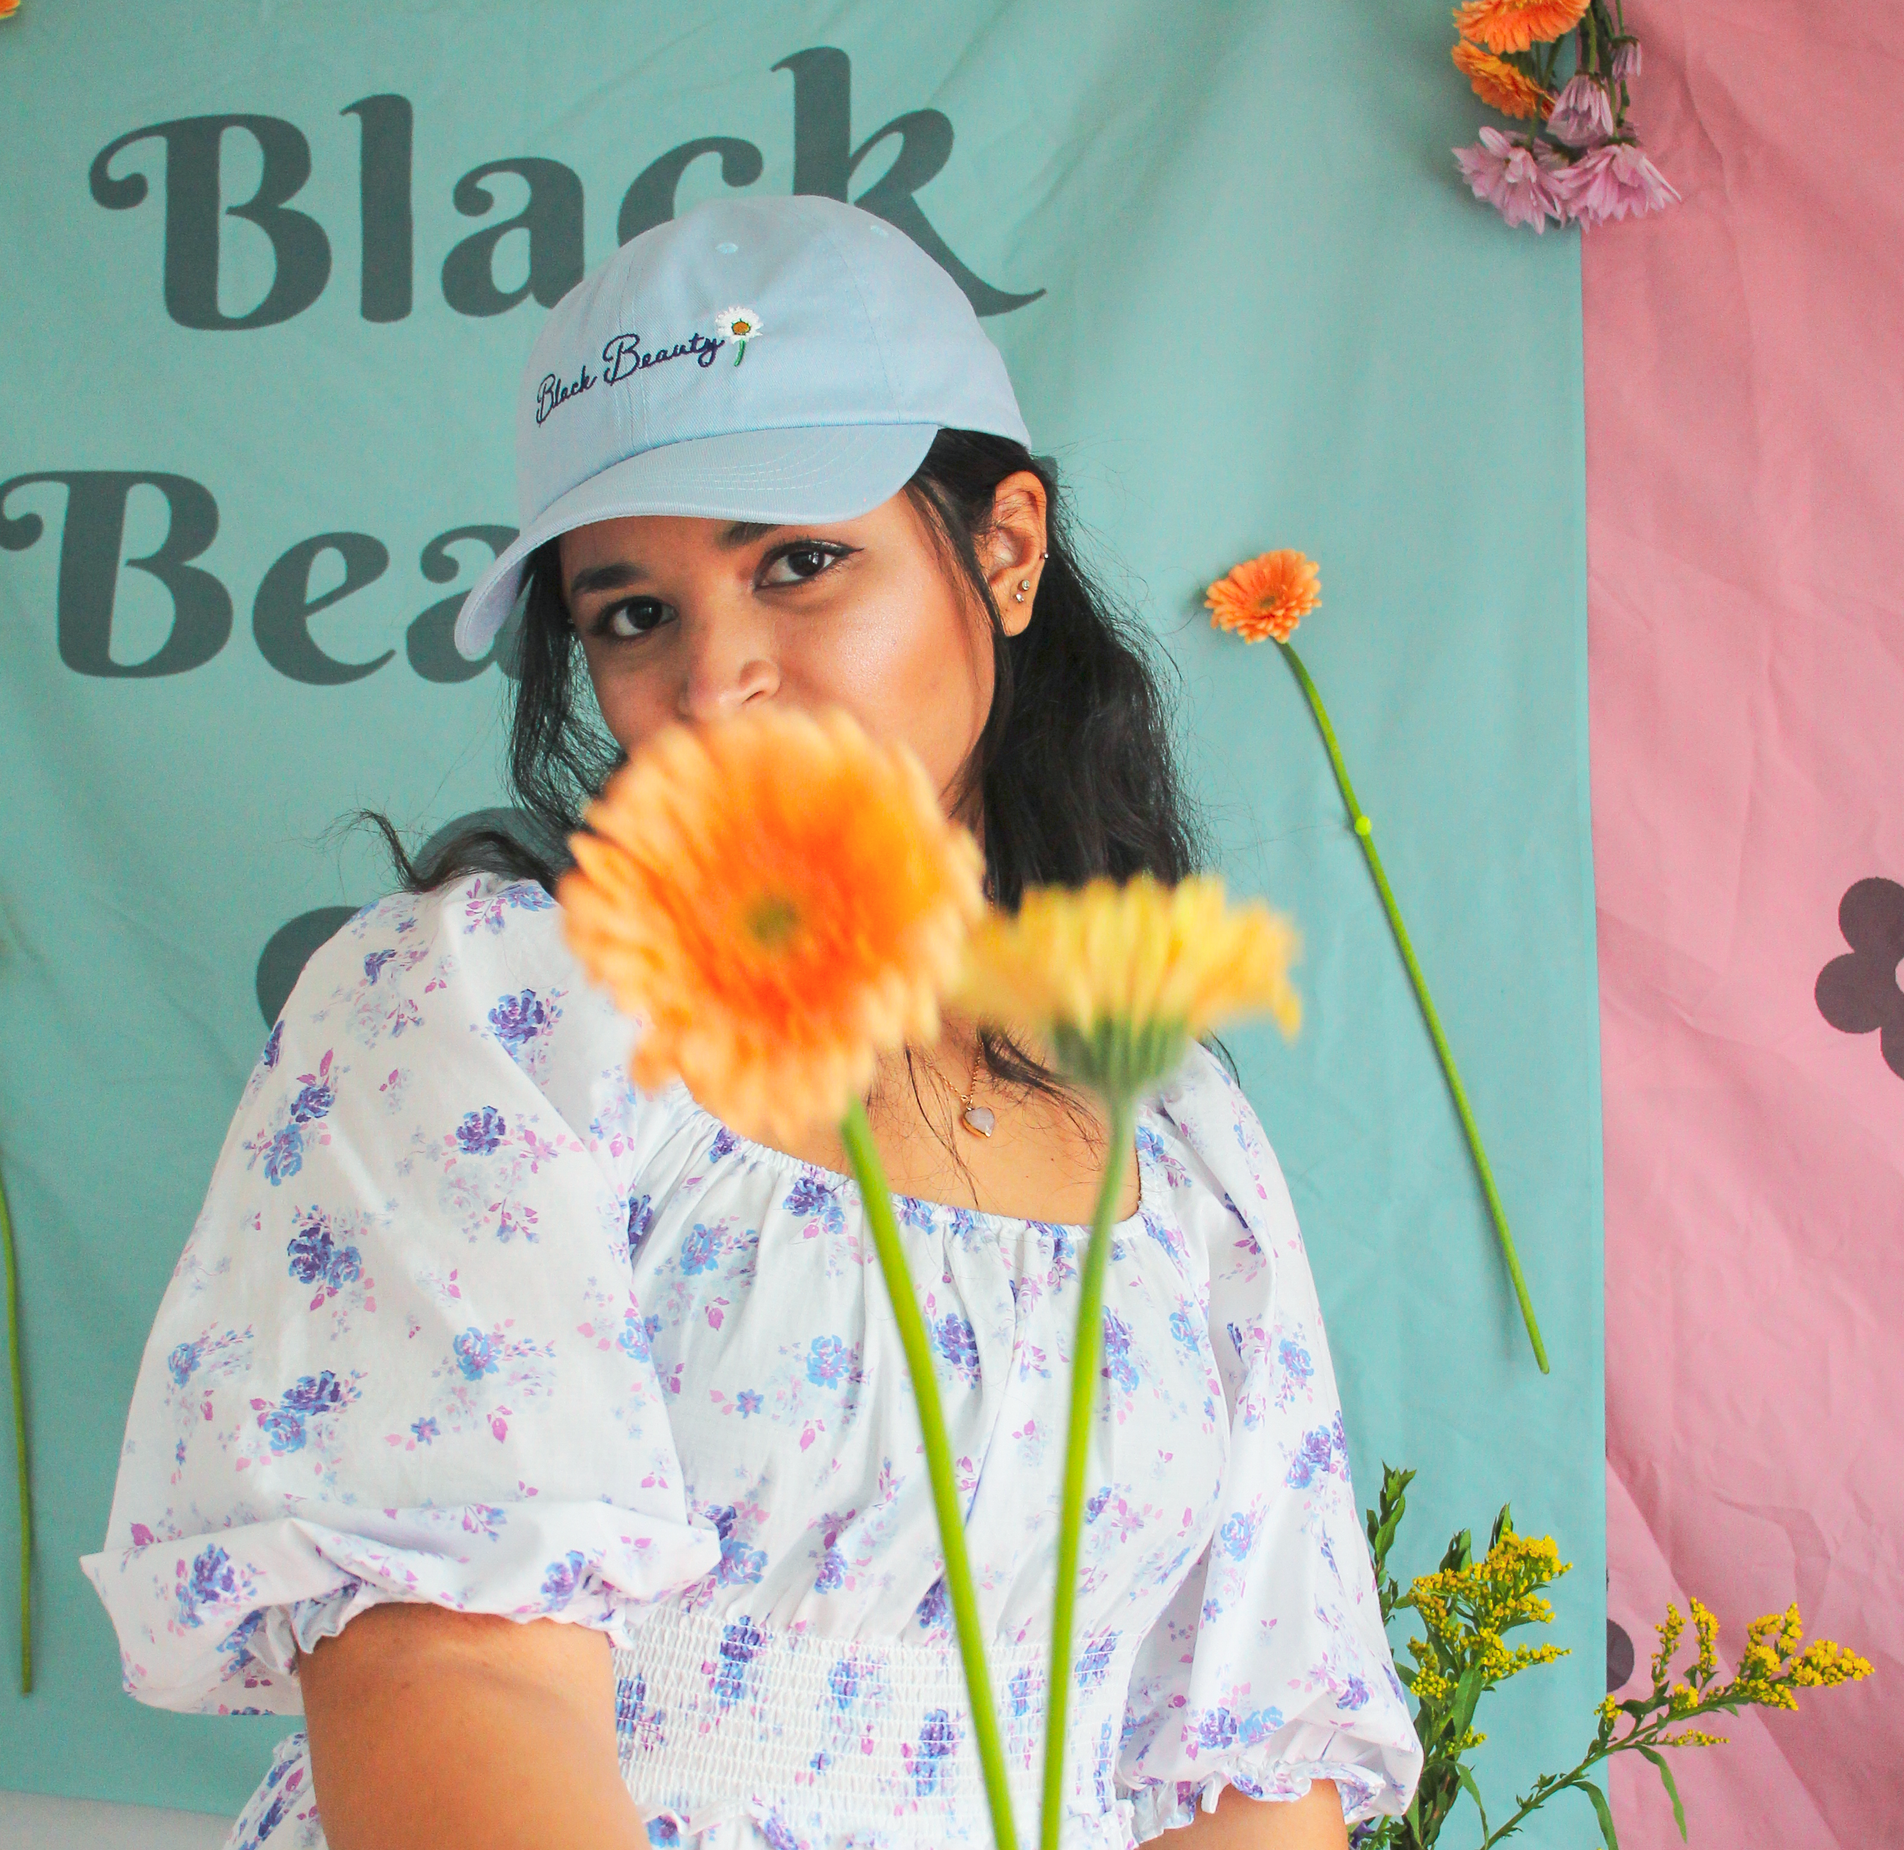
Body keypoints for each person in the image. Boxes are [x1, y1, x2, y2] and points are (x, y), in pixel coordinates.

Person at [84, 195, 1420, 1849]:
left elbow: (1255, 1767)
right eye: (631, 612)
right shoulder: (491, 1012)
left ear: (1003, 549)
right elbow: (453, 1687)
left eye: (798, 564)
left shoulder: (1179, 1124)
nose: (716, 685)